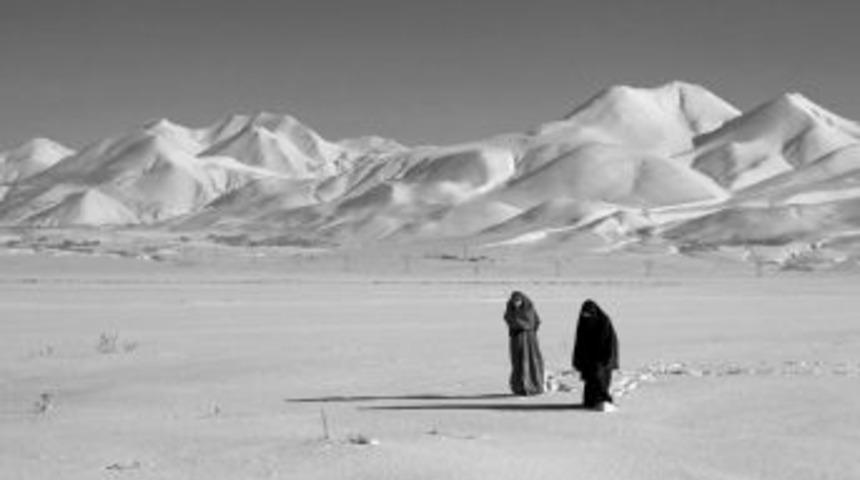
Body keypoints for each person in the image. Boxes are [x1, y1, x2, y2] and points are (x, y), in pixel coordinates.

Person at [572, 299, 619, 411]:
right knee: (590, 380)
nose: (586, 316)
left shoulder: (604, 322)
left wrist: (605, 360)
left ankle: (604, 402)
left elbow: (610, 343)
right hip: (589, 357)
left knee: (600, 380)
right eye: (584, 314)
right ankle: (591, 401)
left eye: (588, 314)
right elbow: (579, 342)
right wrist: (578, 359)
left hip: (603, 358)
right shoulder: (583, 321)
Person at [504, 291, 546, 396]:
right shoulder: (510, 310)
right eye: (514, 301)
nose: (516, 303)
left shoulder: (529, 309)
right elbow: (509, 319)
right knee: (518, 363)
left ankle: (534, 386)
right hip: (517, 340)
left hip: (529, 341)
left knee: (531, 362)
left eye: (518, 301)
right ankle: (520, 387)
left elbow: (534, 322)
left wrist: (528, 330)